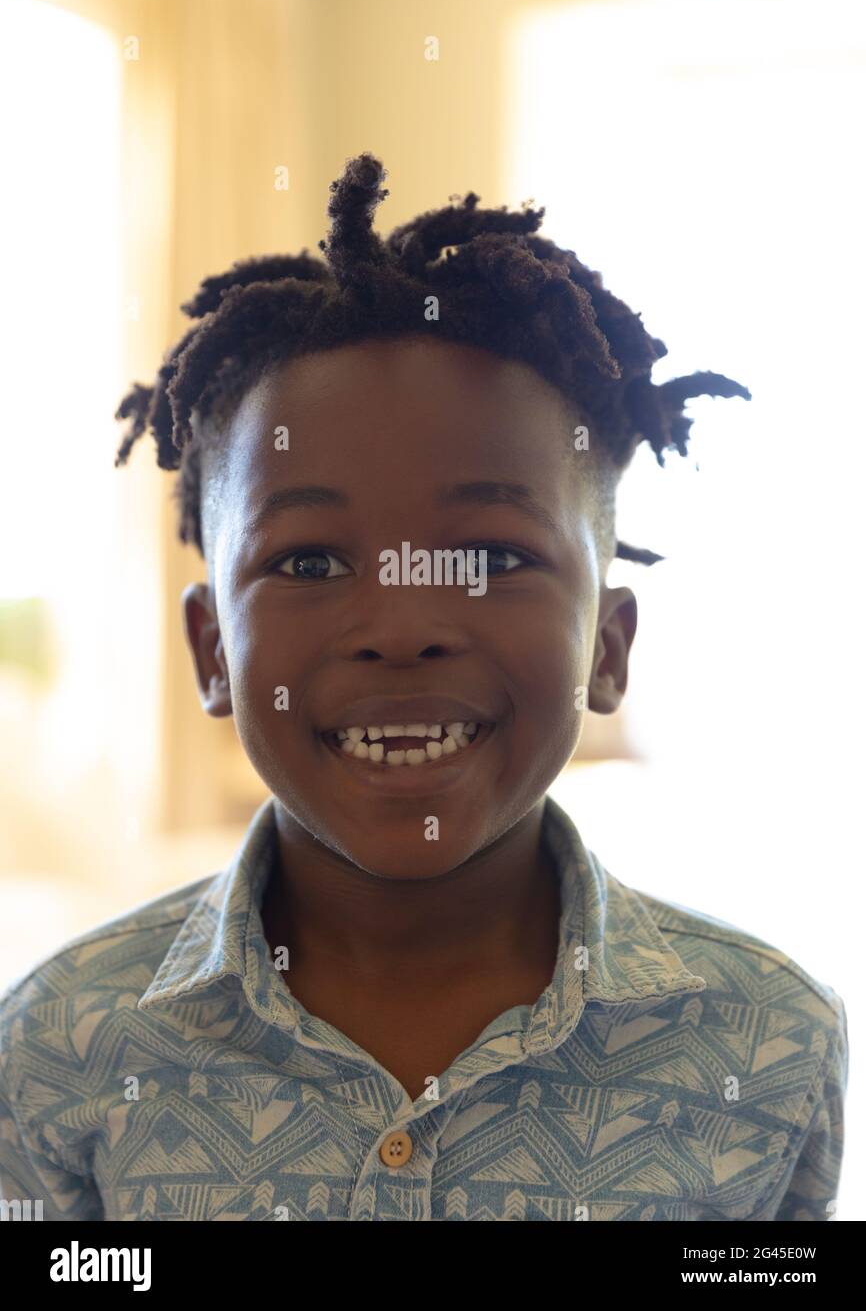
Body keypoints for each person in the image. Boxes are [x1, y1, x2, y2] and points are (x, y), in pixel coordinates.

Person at [0, 153, 846, 1221]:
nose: (400, 627)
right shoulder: (56, 1051)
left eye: (489, 556)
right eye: (309, 562)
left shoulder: (768, 1041)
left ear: (607, 646)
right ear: (212, 652)